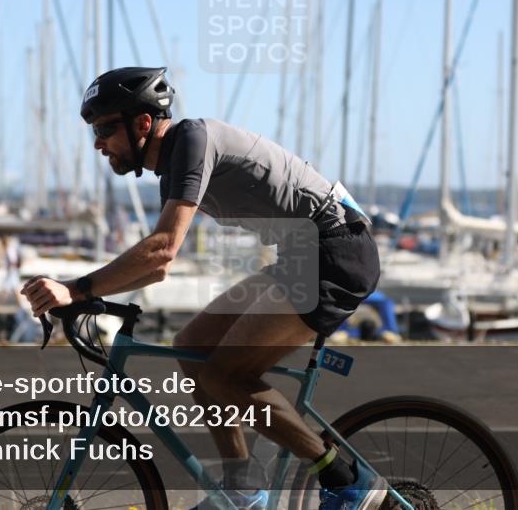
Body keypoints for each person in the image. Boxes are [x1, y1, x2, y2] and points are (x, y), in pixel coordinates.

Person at [23, 67, 384, 509]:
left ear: (142, 123)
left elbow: (162, 249)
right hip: (302, 256)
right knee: (191, 346)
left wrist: (76, 289)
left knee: (224, 375)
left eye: (103, 129)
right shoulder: (174, 165)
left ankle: (346, 479)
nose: (98, 143)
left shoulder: (192, 141)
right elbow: (156, 271)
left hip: (334, 254)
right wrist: (89, 295)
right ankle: (243, 489)